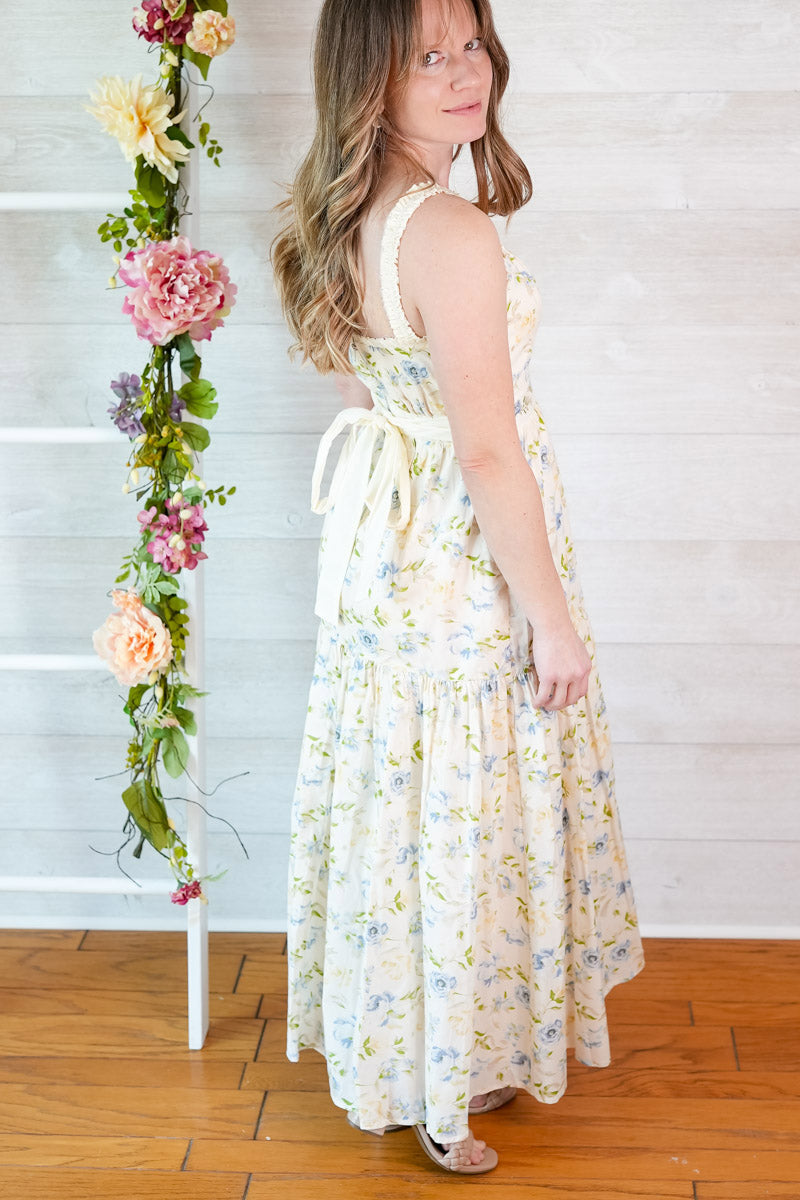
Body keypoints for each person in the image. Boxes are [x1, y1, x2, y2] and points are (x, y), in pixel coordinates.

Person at [269, 0, 646, 1176]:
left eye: (467, 44)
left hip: (386, 563)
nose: (458, 73)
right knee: (473, 811)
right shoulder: (447, 231)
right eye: (423, 56)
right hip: (463, 572)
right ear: (367, 78)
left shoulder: (347, 217)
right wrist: (549, 617)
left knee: (412, 815)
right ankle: (445, 1092)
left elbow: (367, 405)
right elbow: (487, 452)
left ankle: (412, 1060)